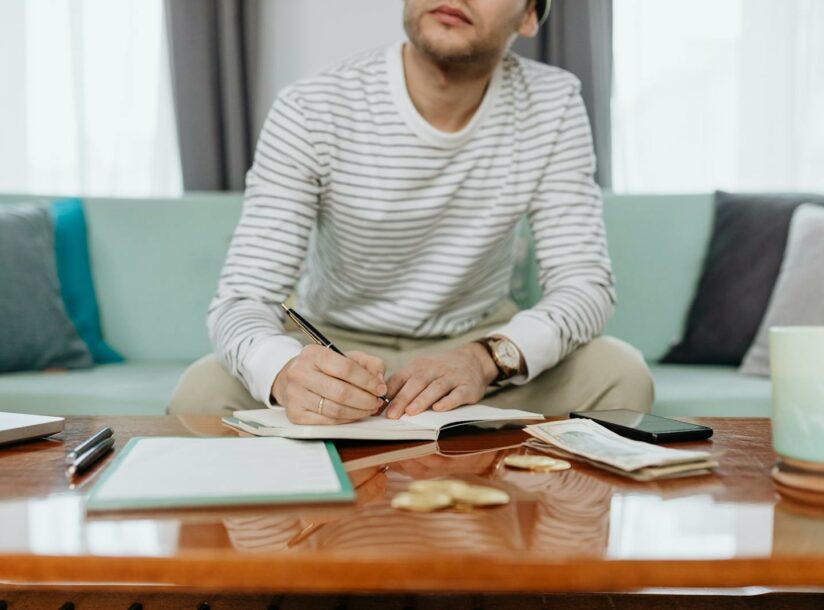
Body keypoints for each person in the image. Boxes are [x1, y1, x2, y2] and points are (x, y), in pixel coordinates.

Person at [167, 0, 654, 423]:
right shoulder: (311, 106)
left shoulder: (553, 102)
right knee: (199, 394)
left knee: (620, 376)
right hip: (334, 343)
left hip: (478, 341)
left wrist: (484, 360)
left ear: (528, 16)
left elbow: (584, 285)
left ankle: (526, 526)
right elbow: (242, 298)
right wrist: (289, 373)